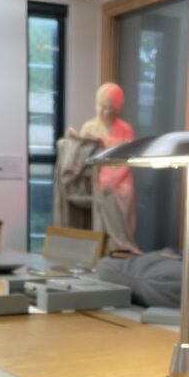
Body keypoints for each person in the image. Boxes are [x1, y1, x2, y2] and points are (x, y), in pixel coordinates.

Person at [74, 83, 138, 253]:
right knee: (101, 190)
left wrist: (114, 179)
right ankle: (103, 249)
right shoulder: (89, 127)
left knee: (122, 193)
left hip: (121, 178)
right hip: (99, 176)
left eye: (108, 108)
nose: (102, 111)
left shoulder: (125, 129)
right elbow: (82, 157)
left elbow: (128, 160)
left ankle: (121, 247)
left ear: (117, 108)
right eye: (99, 105)